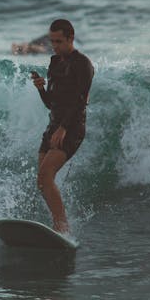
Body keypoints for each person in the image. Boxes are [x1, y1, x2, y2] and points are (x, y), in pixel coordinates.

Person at [31, 19, 93, 234]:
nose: (55, 45)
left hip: (72, 128)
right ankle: (57, 223)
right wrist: (41, 89)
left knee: (46, 174)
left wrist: (64, 128)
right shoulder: (55, 62)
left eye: (59, 41)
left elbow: (81, 100)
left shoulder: (83, 64)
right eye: (52, 41)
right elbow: (51, 103)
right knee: (42, 180)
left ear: (70, 38)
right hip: (53, 126)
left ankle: (62, 226)